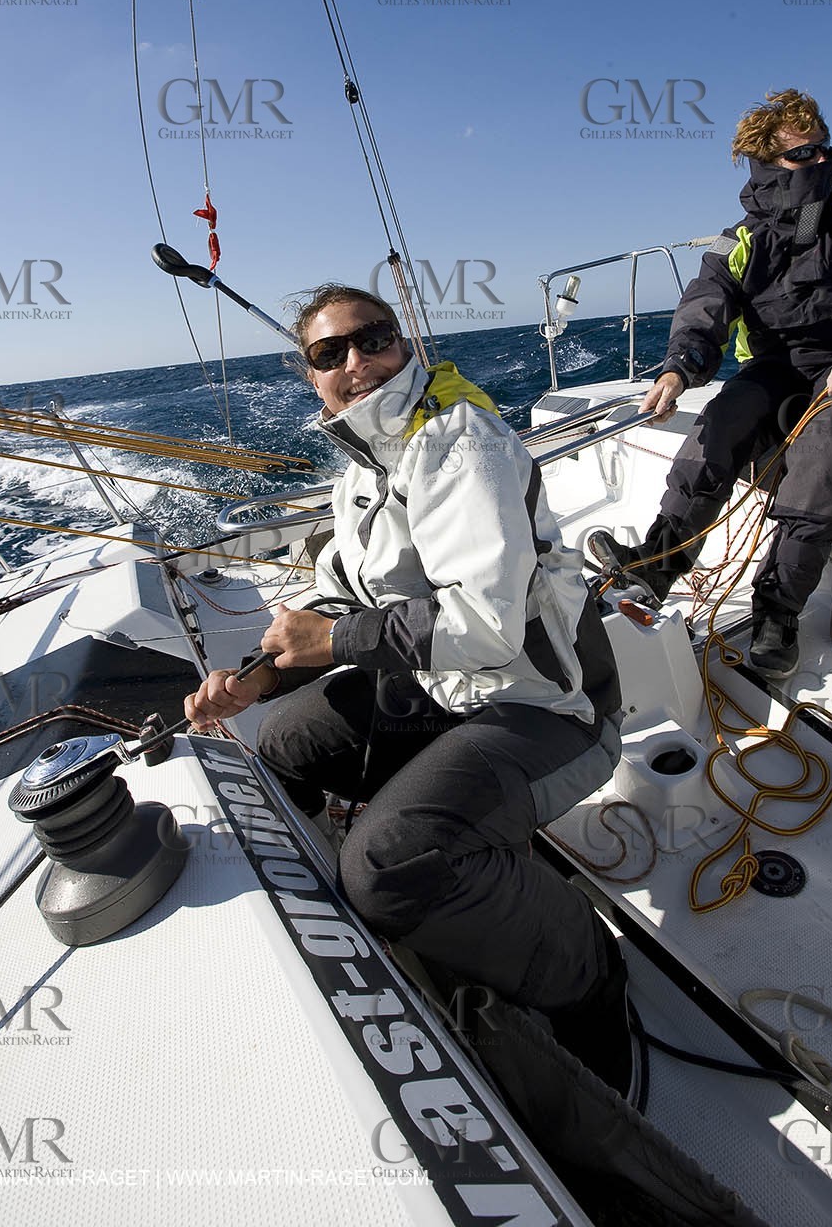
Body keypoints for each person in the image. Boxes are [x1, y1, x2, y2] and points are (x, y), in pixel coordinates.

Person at [185, 284, 634, 1095]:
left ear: (406, 342)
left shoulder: (461, 444)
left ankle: (593, 978)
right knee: (285, 739)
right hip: (447, 688)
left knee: (387, 864)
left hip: (545, 707)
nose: (358, 364)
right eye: (331, 355)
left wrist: (340, 641)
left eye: (374, 340)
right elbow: (335, 596)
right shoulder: (363, 464)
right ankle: (417, 881)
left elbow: (487, 629)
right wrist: (251, 681)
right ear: (308, 374)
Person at [594, 88, 832, 677]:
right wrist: (681, 366)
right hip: (775, 367)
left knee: (827, 456)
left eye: (823, 149)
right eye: (802, 153)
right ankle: (658, 563)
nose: (820, 160)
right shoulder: (740, 242)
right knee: (719, 426)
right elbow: (705, 307)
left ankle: (777, 610)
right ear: (766, 160)